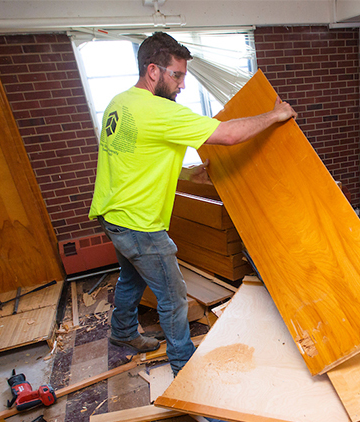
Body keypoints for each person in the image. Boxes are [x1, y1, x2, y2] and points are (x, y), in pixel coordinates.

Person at [89, 32, 296, 375]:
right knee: (173, 297)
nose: (182, 85)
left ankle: (123, 333)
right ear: (153, 71)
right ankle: (185, 368)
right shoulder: (159, 111)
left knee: (131, 279)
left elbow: (135, 158)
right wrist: (274, 116)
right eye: (177, 75)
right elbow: (228, 135)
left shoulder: (119, 103)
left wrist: (187, 175)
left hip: (113, 213)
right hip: (140, 224)